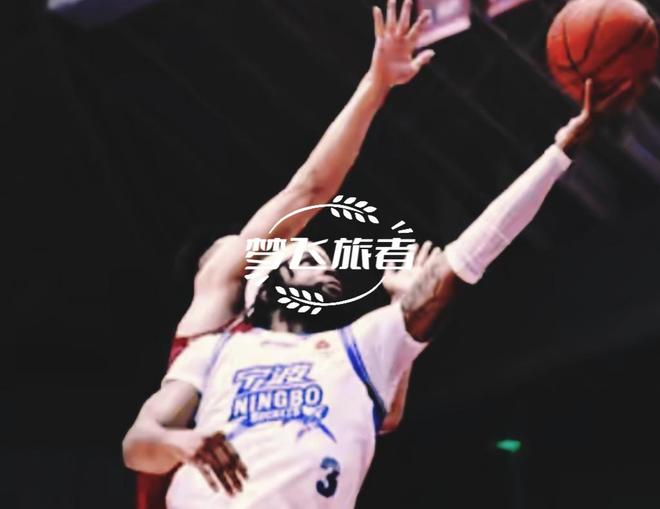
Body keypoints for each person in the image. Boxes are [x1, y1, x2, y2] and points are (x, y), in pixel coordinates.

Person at [124, 63, 630, 505]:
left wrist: (560, 152)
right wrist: (375, 83)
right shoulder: (214, 340)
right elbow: (309, 189)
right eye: (306, 253)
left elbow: (463, 263)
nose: (327, 265)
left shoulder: (350, 347)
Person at [132, 1, 435, 508]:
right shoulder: (214, 321)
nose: (251, 245)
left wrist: (403, 315)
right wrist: (375, 85)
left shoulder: (306, 349)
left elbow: (383, 415)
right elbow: (309, 189)